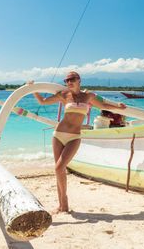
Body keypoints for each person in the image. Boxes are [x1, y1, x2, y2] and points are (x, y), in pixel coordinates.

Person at [31, 71, 126, 213]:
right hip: (58, 134)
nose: (69, 82)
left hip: (74, 136)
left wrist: (119, 107)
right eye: (66, 80)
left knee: (58, 168)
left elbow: (104, 106)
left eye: (72, 79)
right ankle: (62, 206)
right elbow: (43, 102)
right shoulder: (64, 95)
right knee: (59, 170)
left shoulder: (88, 96)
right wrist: (33, 88)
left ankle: (64, 202)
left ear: (79, 80)